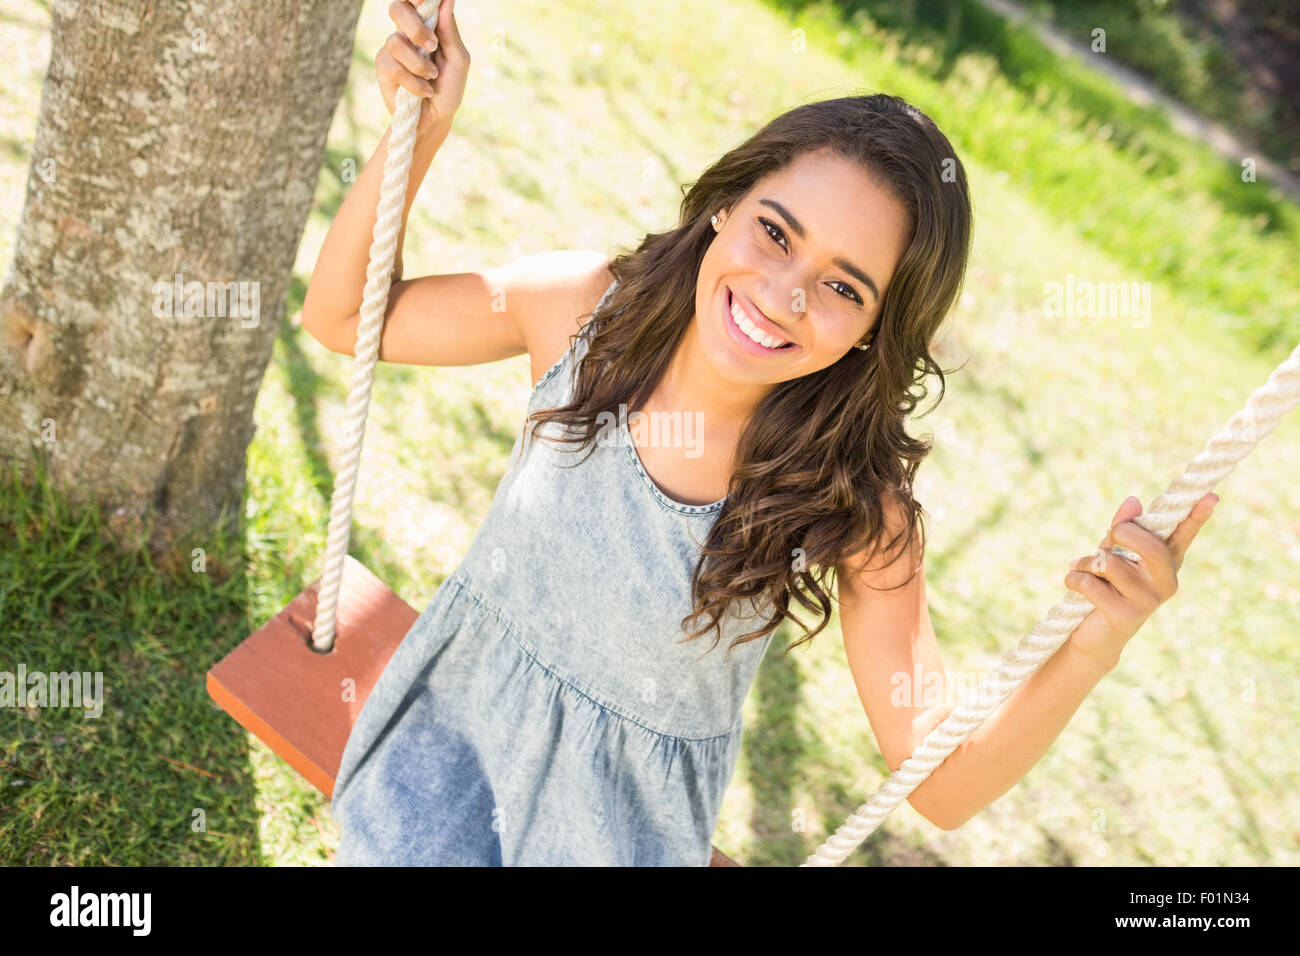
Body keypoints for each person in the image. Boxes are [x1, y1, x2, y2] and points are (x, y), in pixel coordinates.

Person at [300, 0, 1220, 865]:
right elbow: (345, 320)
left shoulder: (851, 508)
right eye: (777, 233)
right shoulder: (583, 315)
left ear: (873, 334)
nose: (785, 295)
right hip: (428, 780)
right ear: (725, 206)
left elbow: (939, 785)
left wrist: (1096, 641)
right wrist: (418, 128)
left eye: (844, 286)